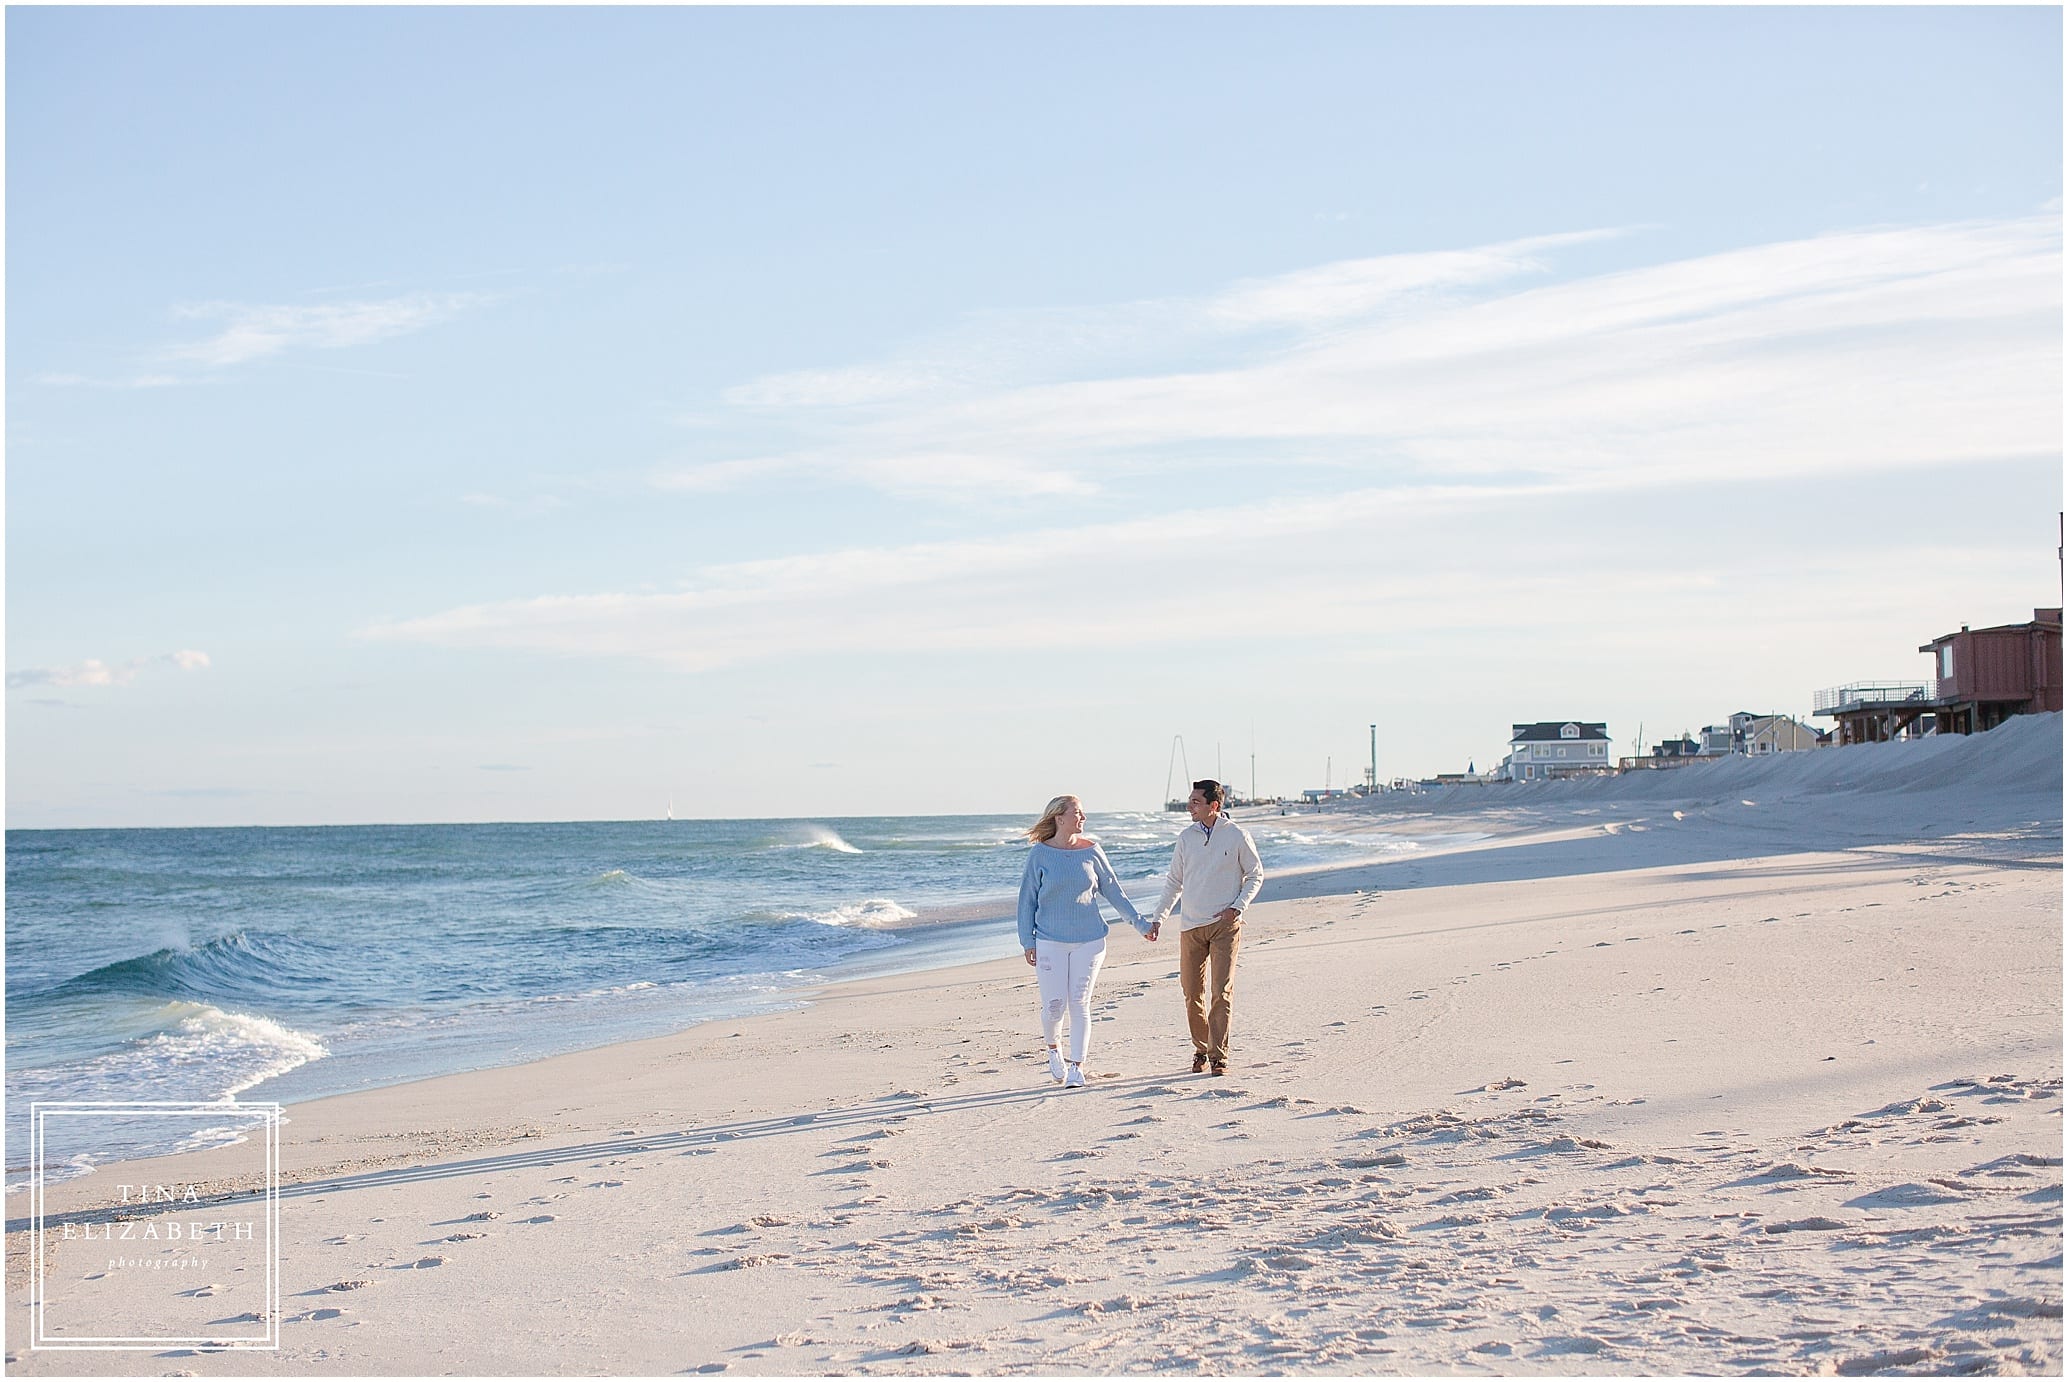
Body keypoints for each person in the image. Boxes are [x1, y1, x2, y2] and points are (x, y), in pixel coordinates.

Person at [1017, 794, 1159, 1088]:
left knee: (1080, 1003)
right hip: (1049, 940)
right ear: (1059, 818)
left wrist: (1141, 925)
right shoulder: (1039, 855)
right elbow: (1026, 901)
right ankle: (1053, 1050)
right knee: (1054, 1006)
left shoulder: (1093, 852)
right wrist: (1026, 941)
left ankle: (1077, 1067)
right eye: (1078, 813)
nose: (1083, 818)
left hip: (1090, 940)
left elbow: (1115, 893)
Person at [1146, 779, 1264, 1076]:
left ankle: (1218, 1057)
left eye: (1195, 802)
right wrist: (1159, 917)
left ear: (1214, 805)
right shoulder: (1186, 838)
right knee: (1191, 992)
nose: (1189, 807)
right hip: (1191, 926)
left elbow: (1255, 874)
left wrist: (1238, 907)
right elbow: (1175, 881)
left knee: (1221, 991)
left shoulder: (1237, 835)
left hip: (1225, 925)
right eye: (1190, 801)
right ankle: (1201, 1048)